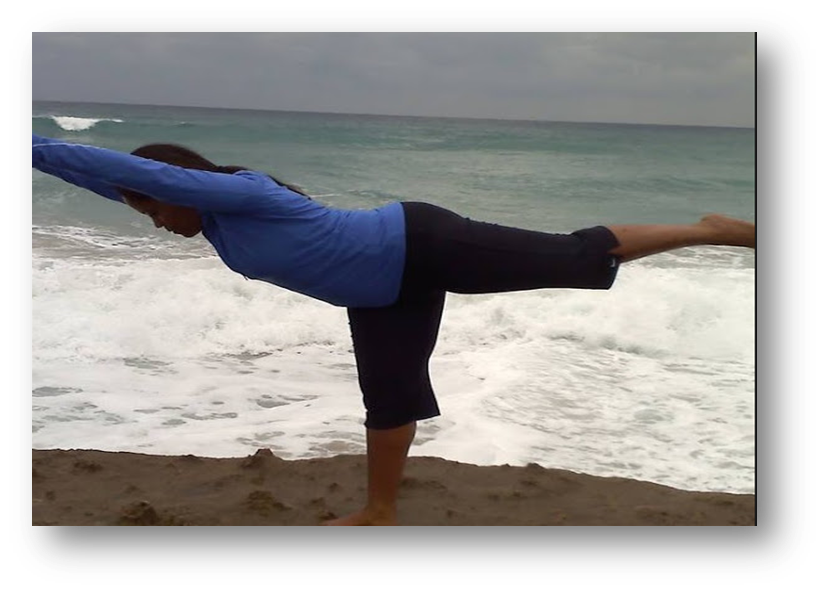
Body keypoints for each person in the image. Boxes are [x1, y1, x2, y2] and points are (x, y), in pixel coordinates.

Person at [31, 133, 755, 526]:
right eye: (145, 213)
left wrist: (30, 141)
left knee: (572, 256)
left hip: (419, 242)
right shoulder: (214, 221)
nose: (157, 222)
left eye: (157, 208)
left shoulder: (239, 193)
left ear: (180, 188)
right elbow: (108, 180)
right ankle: (379, 509)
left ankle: (710, 230)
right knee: (388, 397)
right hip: (382, 292)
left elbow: (112, 166)